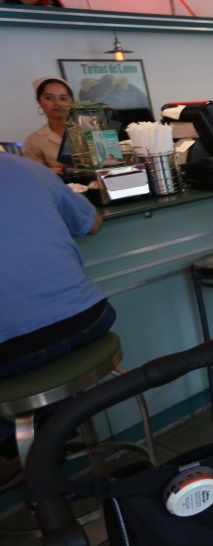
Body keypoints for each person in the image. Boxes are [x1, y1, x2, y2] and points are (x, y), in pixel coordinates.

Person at [0, 153, 115, 378]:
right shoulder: (30, 168)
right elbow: (93, 224)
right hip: (88, 318)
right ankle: (71, 410)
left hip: (10, 349)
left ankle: (53, 412)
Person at [24, 77, 74, 171]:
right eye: (49, 98)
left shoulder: (90, 129)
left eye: (63, 98)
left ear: (71, 101)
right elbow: (36, 175)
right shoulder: (34, 140)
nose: (57, 103)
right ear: (39, 101)